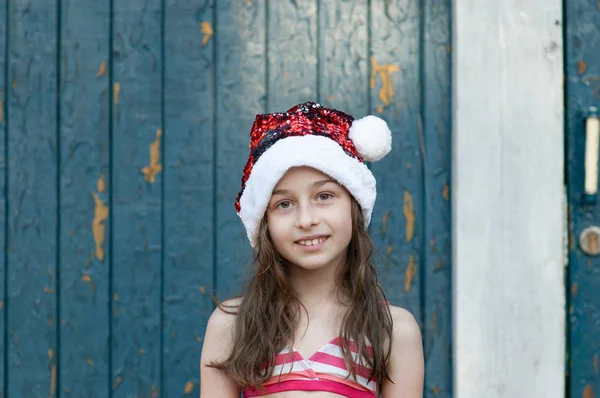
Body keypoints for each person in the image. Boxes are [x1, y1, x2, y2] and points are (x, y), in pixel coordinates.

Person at [200, 102, 424, 397]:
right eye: (284, 203)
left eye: (324, 195)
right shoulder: (231, 325)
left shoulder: (391, 330)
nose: (306, 220)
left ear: (354, 206)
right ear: (264, 222)